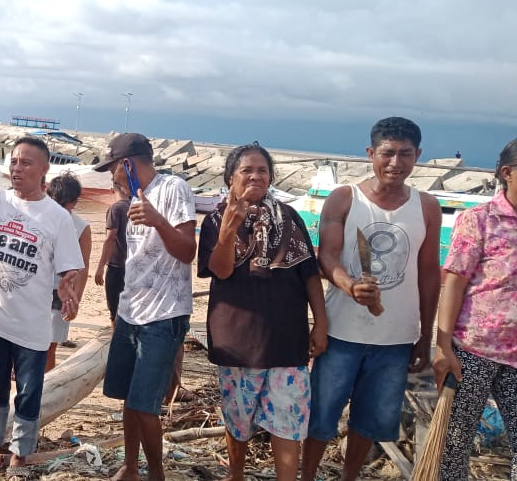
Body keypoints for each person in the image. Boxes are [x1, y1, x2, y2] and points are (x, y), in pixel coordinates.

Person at [300, 117, 442, 481]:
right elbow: (326, 257)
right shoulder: (345, 197)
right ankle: (307, 475)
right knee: (321, 415)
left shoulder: (427, 207)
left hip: (395, 339)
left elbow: (428, 273)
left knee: (370, 419)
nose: (396, 163)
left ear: (418, 156)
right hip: (341, 334)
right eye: (387, 153)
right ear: (370, 154)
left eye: (405, 154)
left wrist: (425, 337)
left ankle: (350, 476)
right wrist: (350, 286)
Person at [0, 136, 84, 479]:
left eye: (26, 162)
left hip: (31, 327)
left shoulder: (57, 217)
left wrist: (70, 287)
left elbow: (70, 267)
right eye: (13, 161)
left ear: (45, 169)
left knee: (28, 393)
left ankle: (20, 458)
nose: (17, 167)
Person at [198, 144, 328, 481]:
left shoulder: (289, 217)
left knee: (289, 421)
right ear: (230, 179)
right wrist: (229, 227)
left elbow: (310, 274)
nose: (256, 176)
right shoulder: (214, 219)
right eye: (247, 170)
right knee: (237, 418)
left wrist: (321, 324)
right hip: (237, 339)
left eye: (263, 171)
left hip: (287, 338)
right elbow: (220, 270)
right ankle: (236, 474)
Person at [97, 133, 197, 481]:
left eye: (113, 168)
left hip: (164, 315)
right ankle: (130, 466)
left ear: (127, 164)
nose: (111, 177)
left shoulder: (174, 188)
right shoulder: (130, 199)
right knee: (127, 397)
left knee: (144, 403)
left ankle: (156, 473)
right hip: (130, 310)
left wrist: (158, 220)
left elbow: (187, 252)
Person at [433, 138, 517, 479]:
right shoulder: (480, 219)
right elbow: (453, 283)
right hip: (472, 351)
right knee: (454, 444)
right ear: (508, 173)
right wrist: (443, 346)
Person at [44, 172, 91, 371]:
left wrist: (75, 301)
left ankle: (43, 390)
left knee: (49, 346)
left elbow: (83, 268)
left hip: (58, 294)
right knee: (36, 345)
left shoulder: (80, 227)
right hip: (36, 289)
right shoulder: (39, 217)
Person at [95, 183, 129, 323]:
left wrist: (100, 267)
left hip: (117, 265)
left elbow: (110, 238)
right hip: (133, 264)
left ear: (111, 190)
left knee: (114, 310)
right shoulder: (134, 206)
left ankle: (117, 341)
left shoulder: (116, 208)